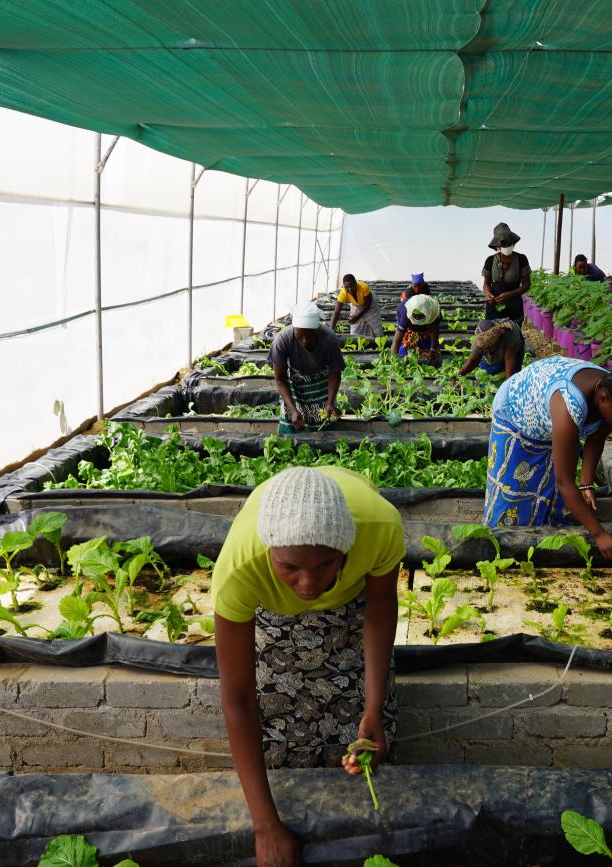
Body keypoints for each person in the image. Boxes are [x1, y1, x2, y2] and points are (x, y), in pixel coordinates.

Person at [213, 465, 403, 867]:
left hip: (350, 598)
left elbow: (380, 606)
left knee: (368, 723)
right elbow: (239, 700)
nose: (307, 584)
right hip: (273, 607)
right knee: (281, 727)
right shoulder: (239, 569)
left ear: (346, 550)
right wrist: (265, 827)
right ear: (269, 555)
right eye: (290, 567)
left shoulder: (380, 525)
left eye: (323, 565)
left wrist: (372, 711)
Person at [483, 357, 612, 560]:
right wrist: (599, 534)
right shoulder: (569, 406)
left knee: (549, 490)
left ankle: (545, 540)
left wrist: (587, 484)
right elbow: (565, 482)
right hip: (517, 413)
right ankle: (503, 549)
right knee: (516, 491)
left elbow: (596, 440)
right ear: (602, 398)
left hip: (547, 413)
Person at [271, 301, 344, 434]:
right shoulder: (282, 339)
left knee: (324, 422)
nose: (305, 341)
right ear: (294, 330)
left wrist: (330, 401)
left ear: (317, 330)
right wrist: (293, 410)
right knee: (291, 423)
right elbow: (280, 379)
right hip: (295, 382)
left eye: (310, 335)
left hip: (321, 381)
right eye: (300, 336)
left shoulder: (329, 338)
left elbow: (335, 372)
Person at [481, 222, 530, 324]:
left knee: (512, 336)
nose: (506, 245)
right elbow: (486, 284)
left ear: (512, 241)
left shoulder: (521, 259)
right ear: (497, 245)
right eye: (503, 243)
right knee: (493, 336)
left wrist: (509, 295)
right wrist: (488, 293)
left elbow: (526, 285)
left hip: (514, 307)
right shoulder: (490, 260)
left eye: (508, 242)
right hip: (494, 308)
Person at [459, 319, 525, 379]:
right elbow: (473, 361)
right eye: (484, 349)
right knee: (489, 373)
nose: (487, 350)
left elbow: (510, 359)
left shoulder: (509, 335)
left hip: (513, 348)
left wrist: (508, 385)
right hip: (495, 351)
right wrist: (459, 375)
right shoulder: (480, 341)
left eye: (490, 347)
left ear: (496, 341)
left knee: (514, 374)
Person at [390, 293, 441, 364]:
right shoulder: (405, 313)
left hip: (427, 329)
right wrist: (394, 361)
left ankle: (424, 343)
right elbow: (396, 341)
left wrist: (432, 351)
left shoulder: (435, 313)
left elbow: (435, 331)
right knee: (404, 351)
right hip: (410, 326)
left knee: (428, 348)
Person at [329, 273, 383, 337]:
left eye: (352, 286)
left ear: (356, 283)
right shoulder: (343, 293)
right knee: (355, 328)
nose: (350, 289)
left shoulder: (363, 287)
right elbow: (336, 312)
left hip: (370, 303)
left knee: (375, 326)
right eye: (347, 287)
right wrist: (331, 330)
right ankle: (358, 340)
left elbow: (368, 303)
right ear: (344, 286)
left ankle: (377, 339)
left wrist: (358, 316)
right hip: (356, 304)